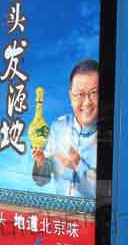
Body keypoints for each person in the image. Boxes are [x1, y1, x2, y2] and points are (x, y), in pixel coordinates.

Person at [32, 59, 98, 199]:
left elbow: (109, 193)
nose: (87, 102)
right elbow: (42, 181)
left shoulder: (112, 135)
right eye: (80, 94)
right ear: (70, 97)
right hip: (60, 211)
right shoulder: (58, 128)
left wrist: (78, 166)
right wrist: (41, 162)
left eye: (94, 93)